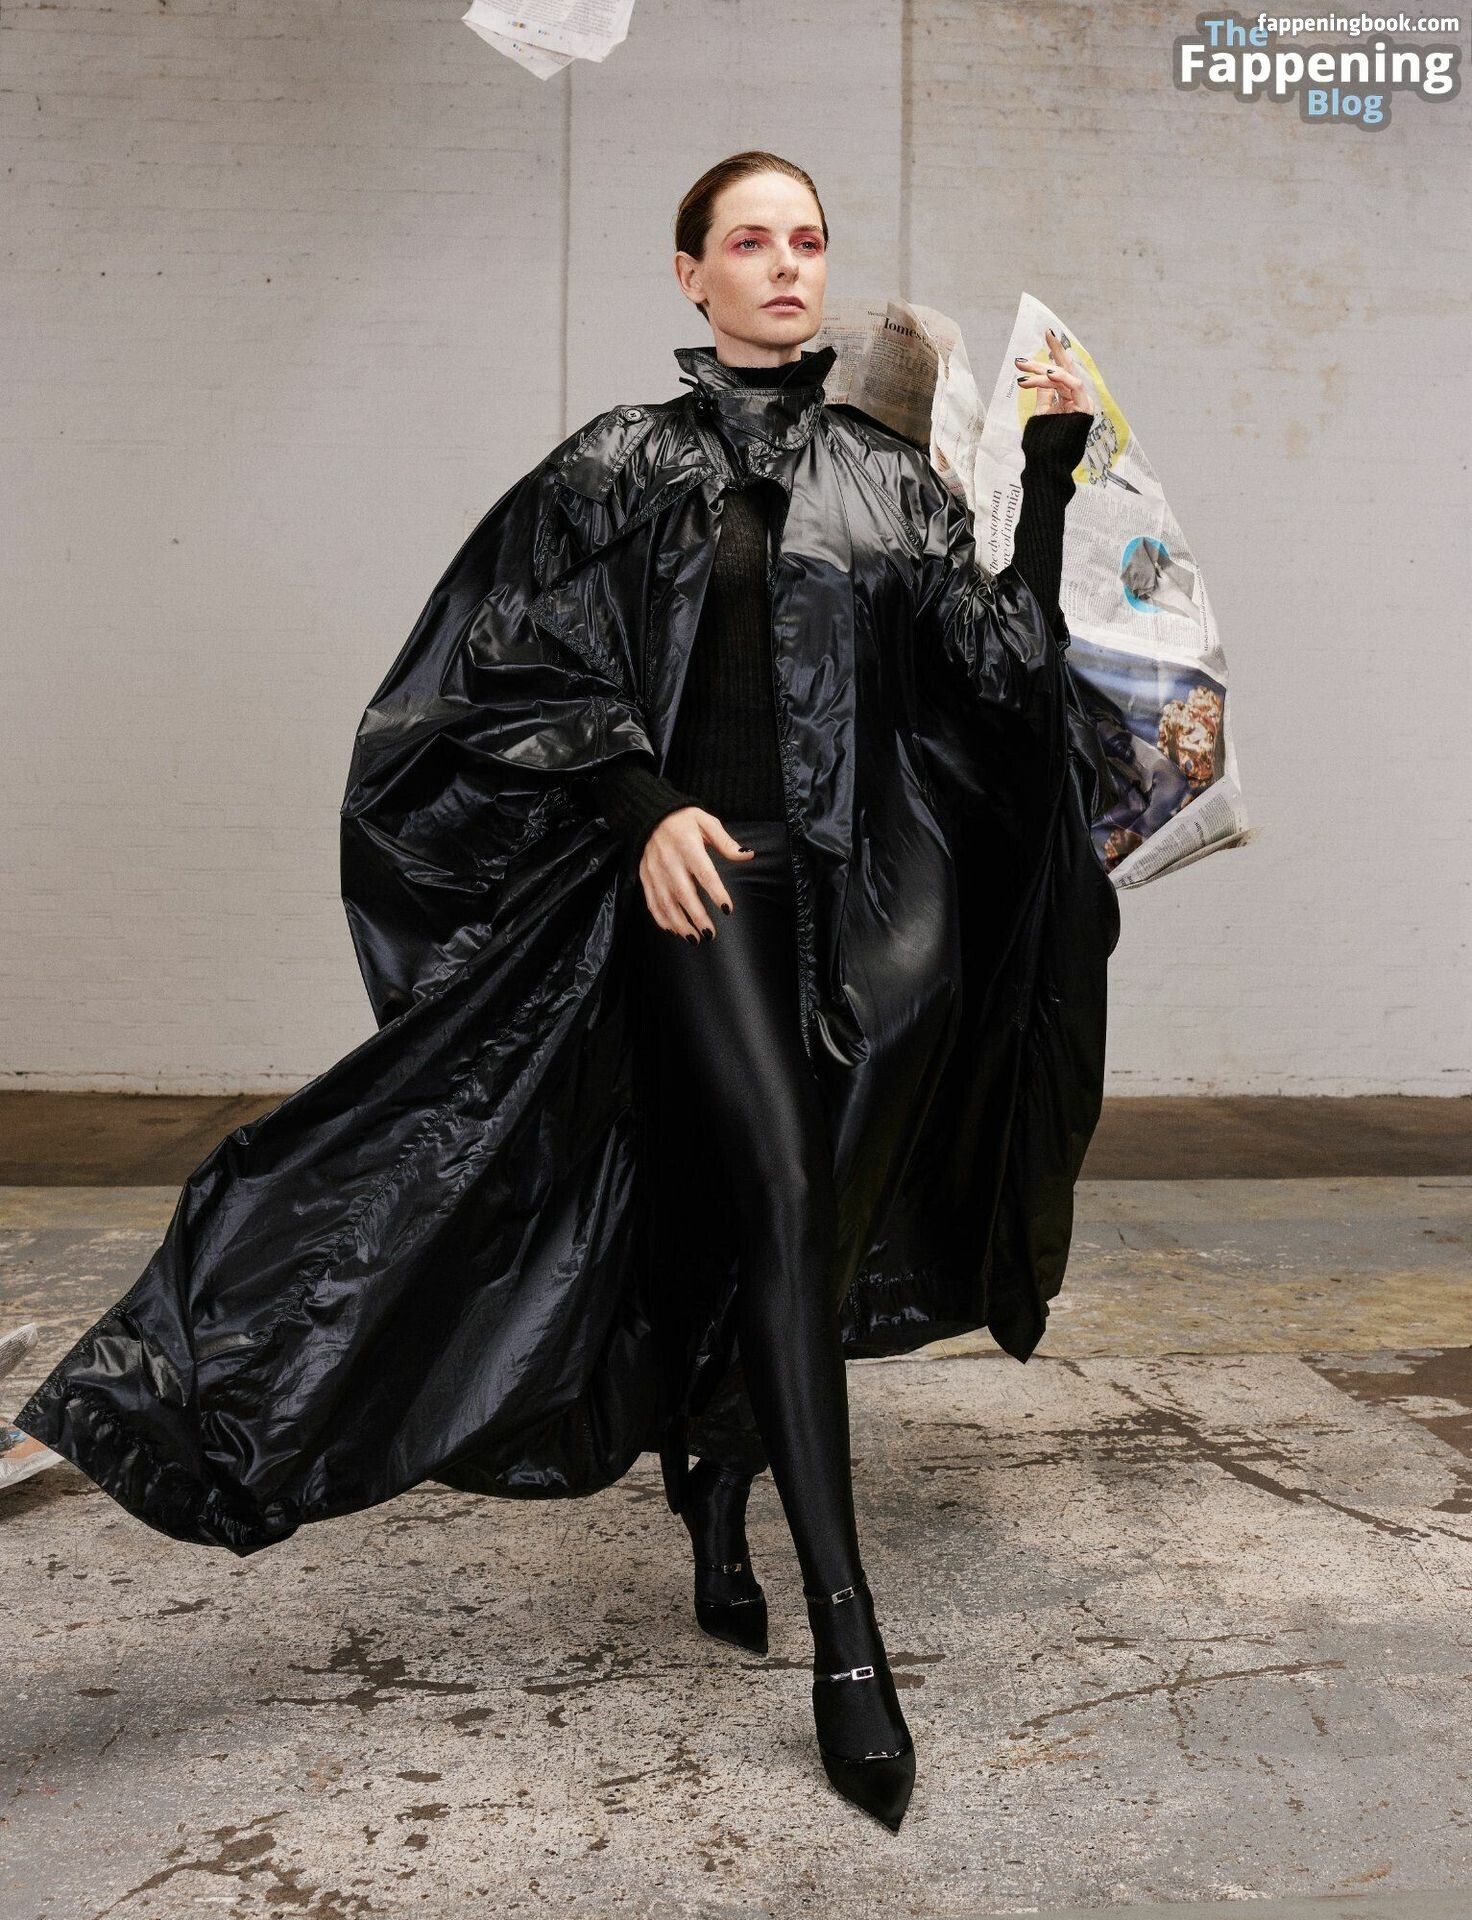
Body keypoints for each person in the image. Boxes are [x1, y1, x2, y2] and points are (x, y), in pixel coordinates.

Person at [12, 152, 1117, 1835]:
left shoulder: (888, 478)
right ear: (689, 274)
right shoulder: (619, 463)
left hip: (864, 912)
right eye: (749, 241)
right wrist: (638, 802)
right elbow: (501, 662)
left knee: (804, 1223)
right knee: (785, 1192)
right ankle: (849, 1638)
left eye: (808, 241)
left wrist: (1041, 481)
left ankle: (719, 1474)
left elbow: (1009, 674)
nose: (786, 266)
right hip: (700, 888)